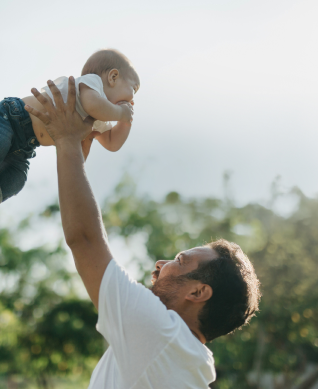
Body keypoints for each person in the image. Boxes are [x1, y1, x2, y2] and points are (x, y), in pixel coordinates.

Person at [24, 77, 261, 388]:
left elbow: (84, 241)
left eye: (181, 259)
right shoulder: (182, 361)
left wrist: (67, 138)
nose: (160, 264)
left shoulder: (160, 333)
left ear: (198, 292)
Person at [0, 49, 139, 217]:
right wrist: (121, 112)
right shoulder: (91, 84)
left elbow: (113, 143)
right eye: (133, 90)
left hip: (25, 148)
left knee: (16, 179)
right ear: (113, 77)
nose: (131, 100)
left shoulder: (99, 119)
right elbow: (92, 104)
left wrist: (126, 120)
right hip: (12, 118)